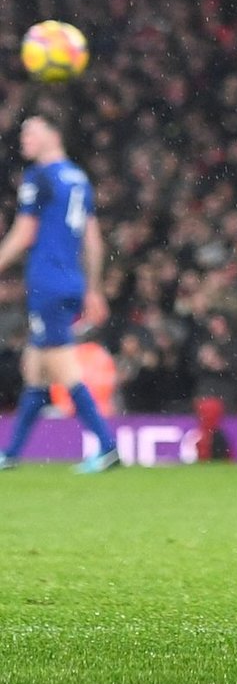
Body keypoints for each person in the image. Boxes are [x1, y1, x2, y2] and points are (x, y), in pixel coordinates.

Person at [0, 111, 120, 473]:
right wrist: (93, 288)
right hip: (70, 281)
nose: (24, 139)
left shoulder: (40, 177)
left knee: (62, 367)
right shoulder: (78, 178)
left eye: (31, 132)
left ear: (53, 135)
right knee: (36, 370)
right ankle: (11, 453)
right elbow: (93, 240)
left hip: (47, 280)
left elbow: (24, 233)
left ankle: (107, 445)